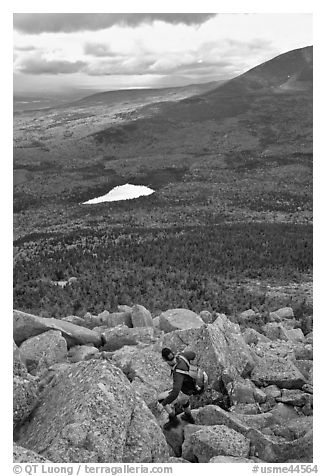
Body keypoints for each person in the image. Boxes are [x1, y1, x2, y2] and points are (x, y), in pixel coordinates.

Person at [157, 347, 202, 424]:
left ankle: (173, 418)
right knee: (184, 400)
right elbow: (193, 354)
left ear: (164, 359)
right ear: (173, 353)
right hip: (192, 387)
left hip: (184, 392)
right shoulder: (182, 356)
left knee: (160, 398)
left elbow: (175, 392)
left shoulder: (177, 373)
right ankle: (188, 416)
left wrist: (164, 404)